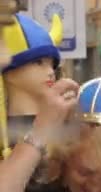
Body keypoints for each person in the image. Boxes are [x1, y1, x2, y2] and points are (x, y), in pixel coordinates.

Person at [1, 12, 62, 157]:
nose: (50, 72)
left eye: (52, 64)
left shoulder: (59, 124)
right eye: (38, 62)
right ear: (8, 71)